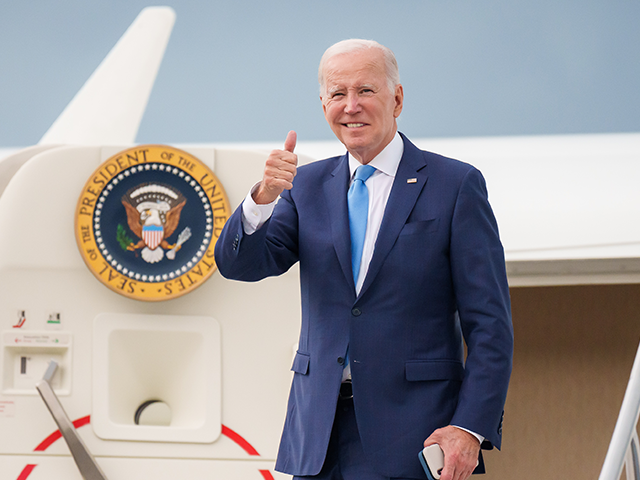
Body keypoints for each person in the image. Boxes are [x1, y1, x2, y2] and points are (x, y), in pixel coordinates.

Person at [214, 39, 513, 480]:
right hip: (318, 437)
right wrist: (261, 199)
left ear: (397, 98)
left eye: (365, 91)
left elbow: (490, 326)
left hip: (416, 437)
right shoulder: (306, 186)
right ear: (323, 105)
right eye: (338, 94)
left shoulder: (455, 185)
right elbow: (240, 265)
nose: (350, 106)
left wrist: (469, 428)